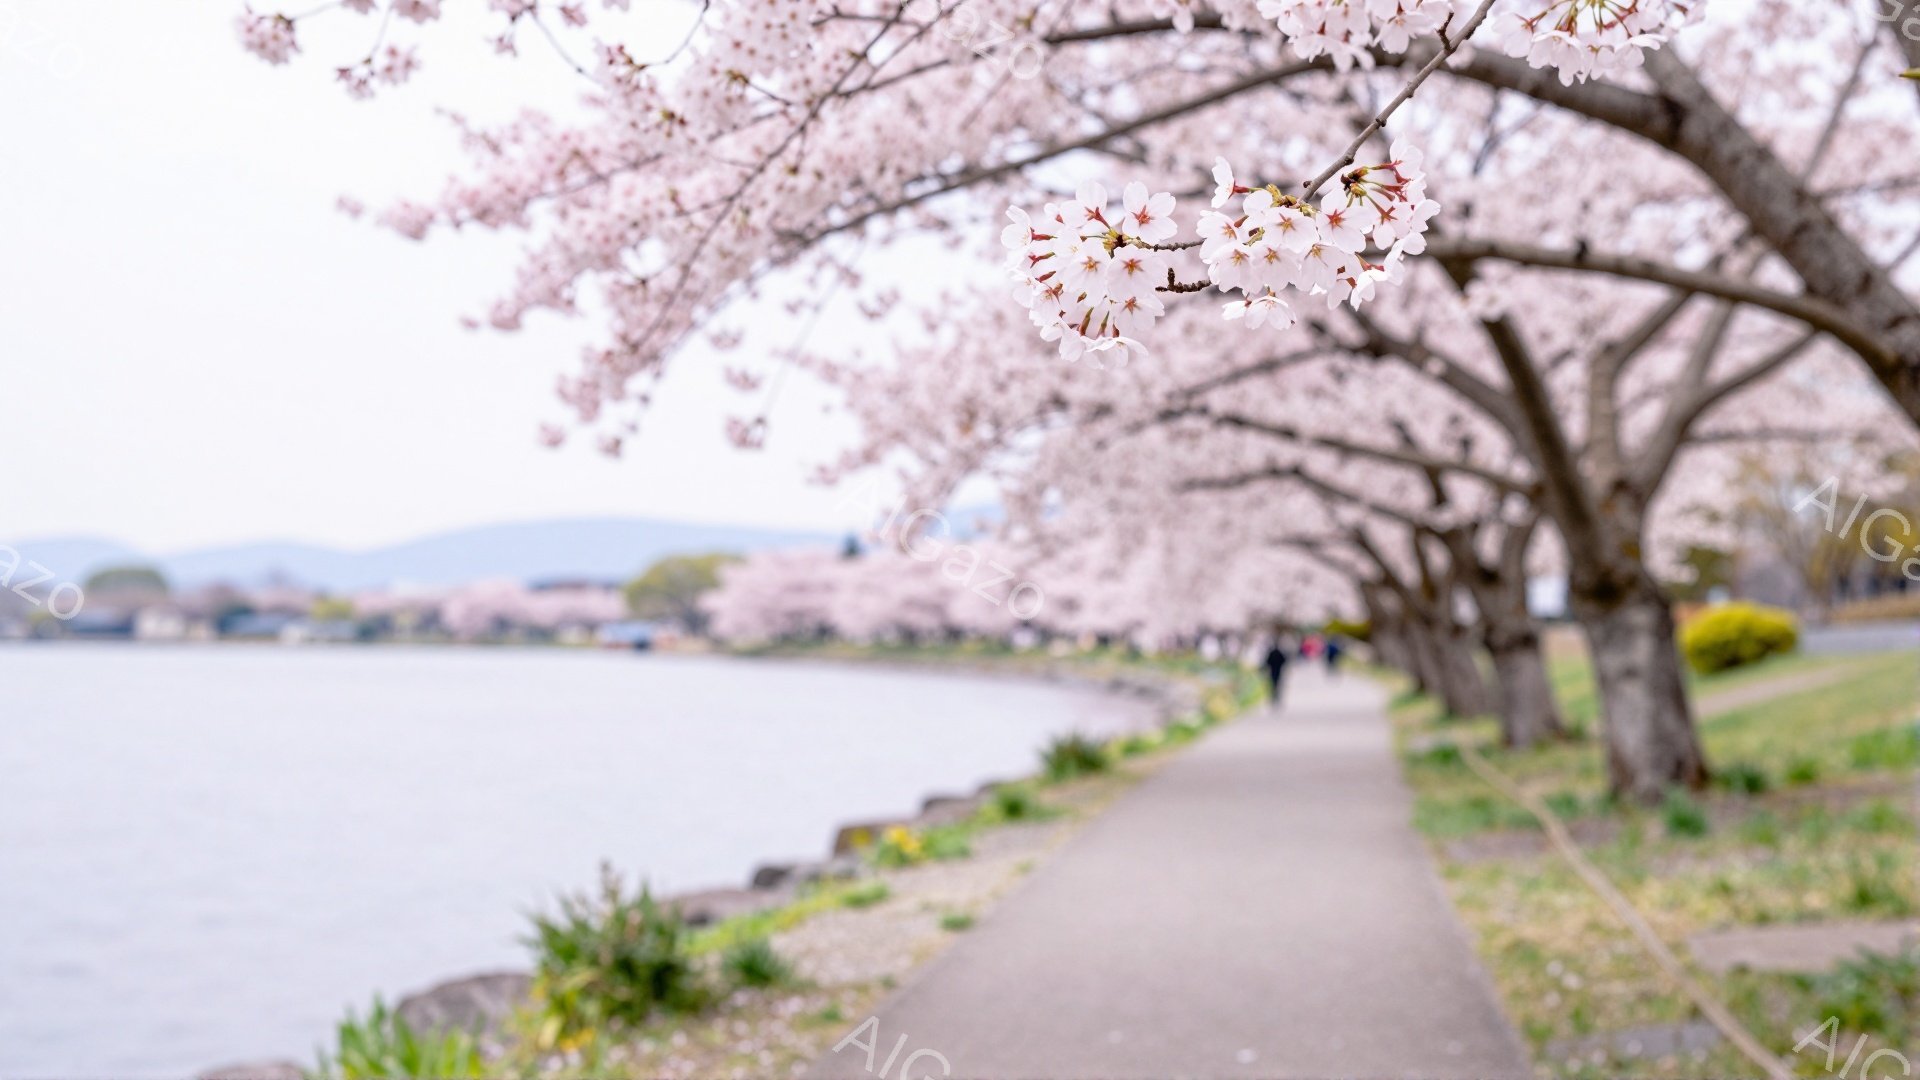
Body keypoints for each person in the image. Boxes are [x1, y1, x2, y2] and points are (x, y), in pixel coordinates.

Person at [1263, 637, 1289, 707]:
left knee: (1274, 683)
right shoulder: (1278, 652)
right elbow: (1284, 660)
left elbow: (1267, 661)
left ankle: (1274, 695)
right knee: (1277, 683)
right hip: (1277, 670)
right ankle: (1275, 696)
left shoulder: (1272, 653)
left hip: (1273, 670)